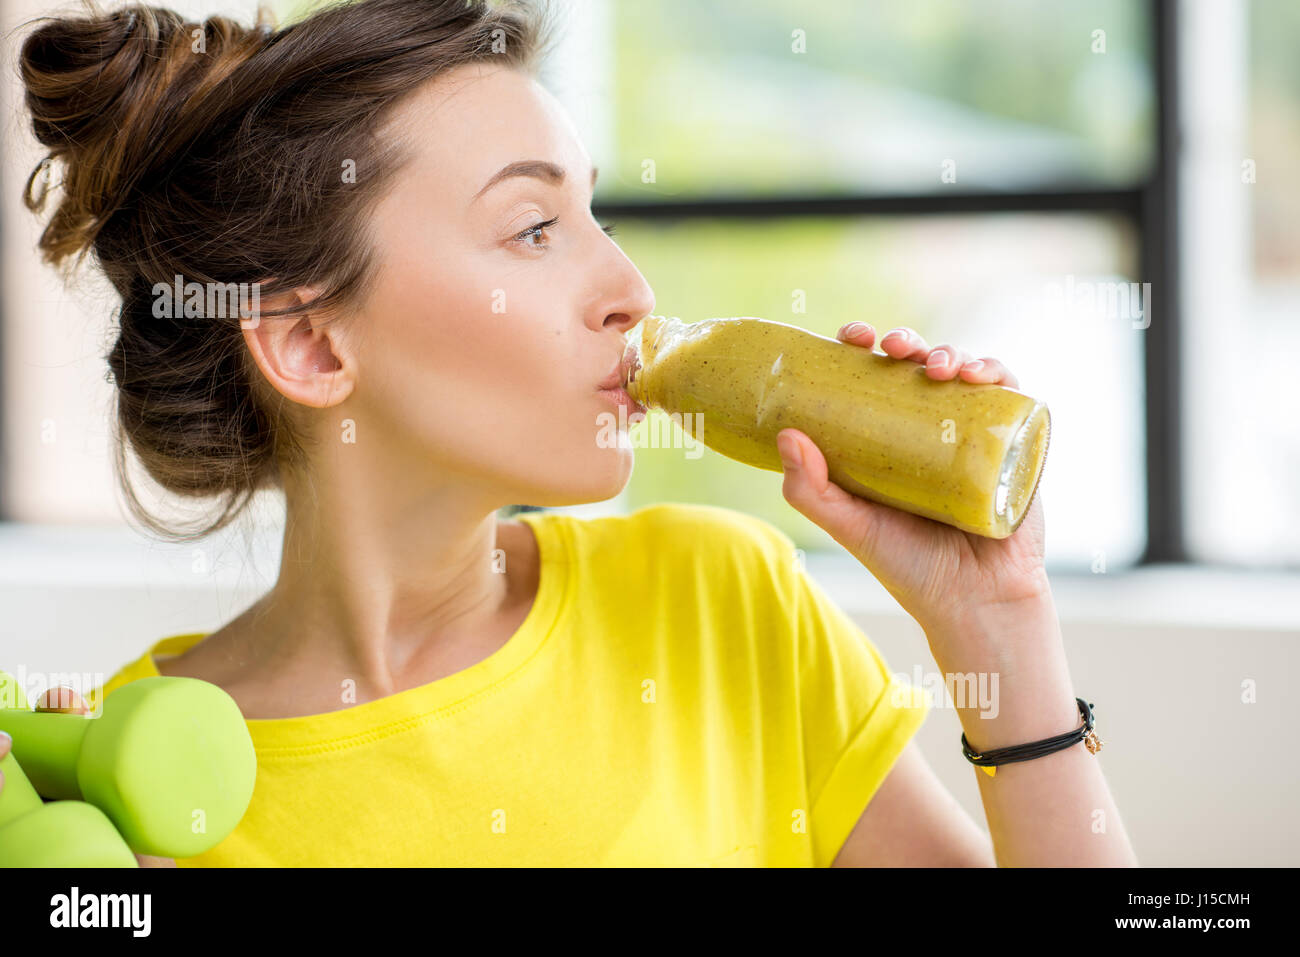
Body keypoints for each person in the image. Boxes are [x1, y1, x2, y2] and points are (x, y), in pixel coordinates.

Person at [13, 0, 1136, 866]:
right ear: (309, 346)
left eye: (595, 211)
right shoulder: (121, 780)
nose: (630, 287)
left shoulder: (720, 602)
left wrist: (999, 626)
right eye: (535, 227)